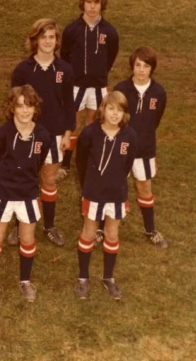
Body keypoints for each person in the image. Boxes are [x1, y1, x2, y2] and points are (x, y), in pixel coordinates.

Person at [9, 19, 75, 248]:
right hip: (27, 133)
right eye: (43, 37)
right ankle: (18, 226)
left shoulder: (65, 69)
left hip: (55, 134)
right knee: (24, 179)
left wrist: (67, 133)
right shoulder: (22, 70)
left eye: (52, 37)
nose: (48, 41)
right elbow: (13, 106)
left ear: (57, 41)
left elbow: (69, 104)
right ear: (35, 39)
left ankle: (48, 225)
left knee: (48, 180)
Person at [0, 86, 51, 304]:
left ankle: (25, 280)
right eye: (20, 106)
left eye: (29, 106)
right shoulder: (1, 135)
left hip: (28, 194)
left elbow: (38, 163)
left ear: (35, 109)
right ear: (12, 108)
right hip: (3, 193)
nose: (24, 111)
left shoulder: (42, 135)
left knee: (28, 238)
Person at [74, 91, 137, 300]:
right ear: (102, 109)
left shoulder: (129, 135)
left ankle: (108, 277)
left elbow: (127, 164)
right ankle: (83, 277)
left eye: (120, 110)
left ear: (124, 113)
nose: (115, 114)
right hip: (93, 192)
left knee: (111, 234)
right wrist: (88, 186)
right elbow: (81, 163)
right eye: (111, 108)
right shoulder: (90, 133)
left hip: (117, 194)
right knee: (89, 233)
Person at [58, 0, 119, 185]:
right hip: (77, 86)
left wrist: (99, 74)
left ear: (102, 5)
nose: (92, 7)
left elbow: (111, 56)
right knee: (72, 125)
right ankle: (65, 164)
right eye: (89, 2)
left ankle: (90, 161)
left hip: (98, 87)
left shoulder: (109, 31)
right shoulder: (72, 30)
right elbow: (64, 55)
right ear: (82, 4)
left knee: (94, 125)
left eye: (97, 3)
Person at [114, 46, 168, 248]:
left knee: (144, 188)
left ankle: (150, 229)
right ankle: (102, 228)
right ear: (132, 66)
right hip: (121, 148)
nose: (141, 70)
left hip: (144, 150)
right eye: (138, 65)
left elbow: (155, 121)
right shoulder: (121, 89)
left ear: (152, 68)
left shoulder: (159, 92)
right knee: (112, 187)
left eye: (146, 66)